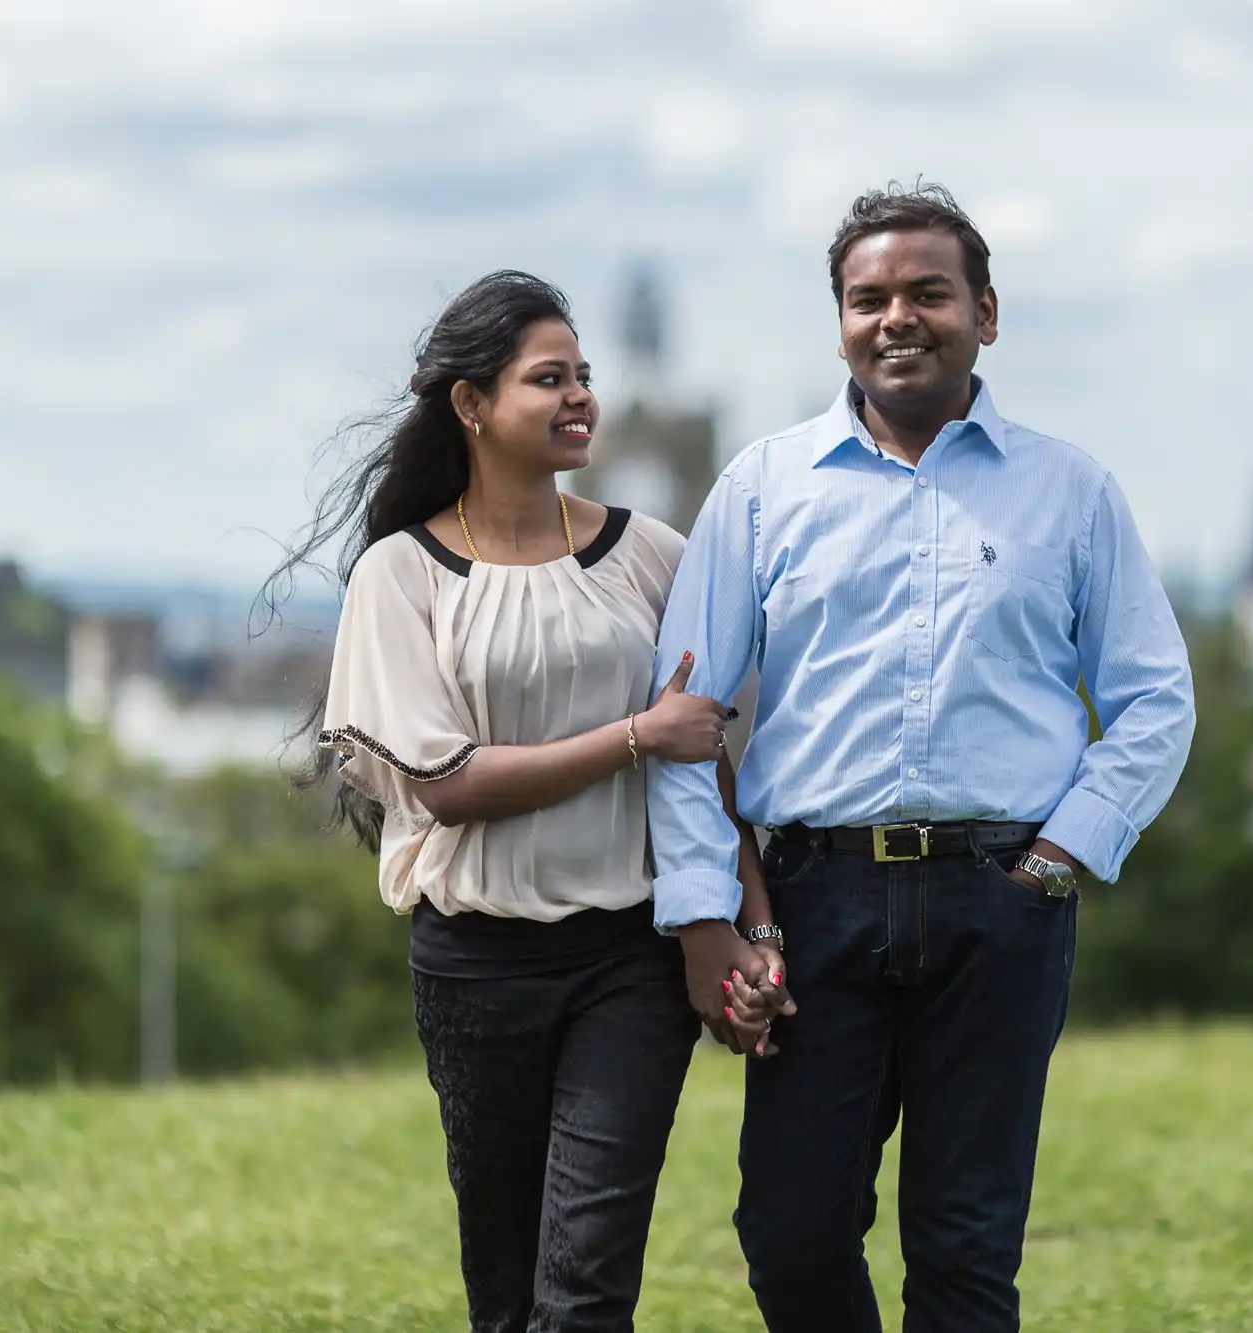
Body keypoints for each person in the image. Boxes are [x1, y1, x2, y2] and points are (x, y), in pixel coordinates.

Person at [647, 184, 1197, 1332]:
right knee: (790, 1235)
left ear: (984, 314)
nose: (897, 316)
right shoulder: (761, 489)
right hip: (810, 904)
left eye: (927, 293)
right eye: (868, 298)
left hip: (998, 903)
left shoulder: (1070, 492)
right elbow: (683, 719)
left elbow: (1154, 697)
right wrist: (707, 915)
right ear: (841, 322)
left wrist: (1058, 858)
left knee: (963, 1250)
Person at [279, 271, 785, 1333]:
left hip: (627, 961)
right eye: (546, 378)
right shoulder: (399, 577)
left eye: (583, 376)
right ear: (470, 404)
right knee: (504, 1292)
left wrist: (749, 920)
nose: (578, 397)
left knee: (587, 1285)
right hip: (474, 967)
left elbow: (706, 759)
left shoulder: (651, 555)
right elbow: (446, 783)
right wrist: (634, 735)